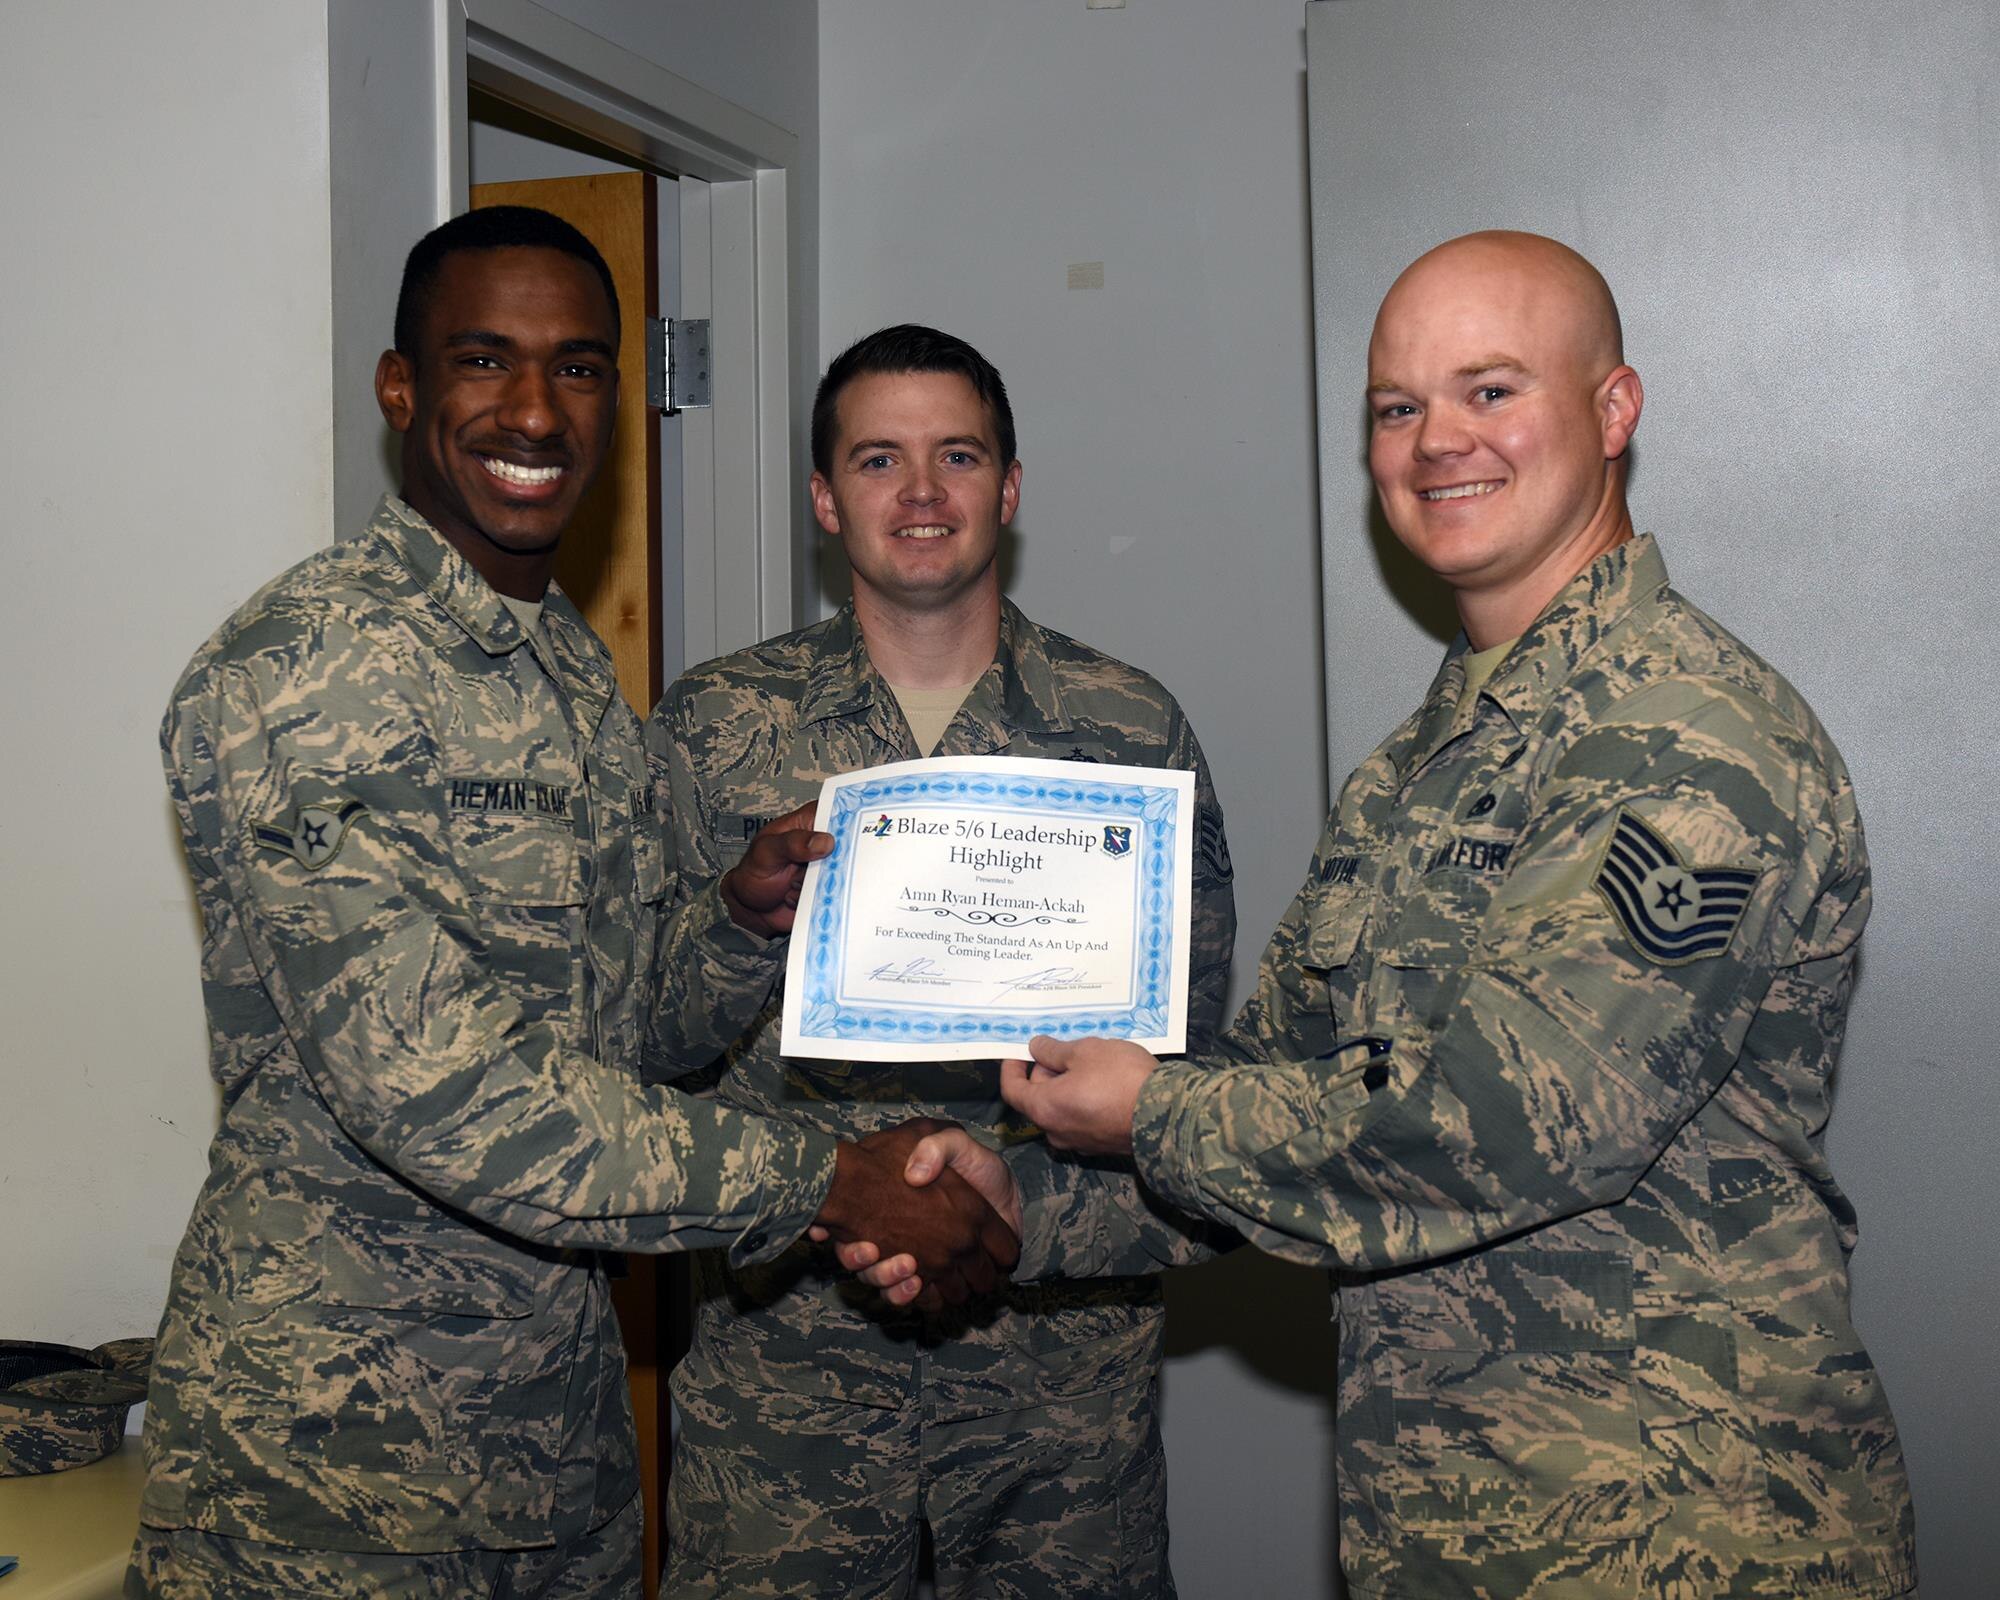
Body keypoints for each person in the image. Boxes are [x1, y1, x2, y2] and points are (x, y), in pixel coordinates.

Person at [869, 235, 1919, 1599]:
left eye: (1490, 391)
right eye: (1397, 407)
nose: (1438, 443)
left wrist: (1148, 1113)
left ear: (1614, 411)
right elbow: (1281, 1095)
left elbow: (1511, 1126)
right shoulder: (1426, 760)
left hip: (1677, 1537)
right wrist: (1030, 1196)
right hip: (1447, 1532)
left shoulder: (1682, 733)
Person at [128, 209, 1016, 1600]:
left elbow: (610, 1035)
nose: (537, 409)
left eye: (582, 367)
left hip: (554, 1459)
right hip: (335, 1483)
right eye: (485, 360)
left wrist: (735, 924)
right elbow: (448, 1090)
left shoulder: (568, 676)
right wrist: (825, 1178)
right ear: (401, 389)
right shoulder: (307, 669)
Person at [646, 324, 1236, 1597]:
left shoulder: (1129, 731)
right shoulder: (711, 726)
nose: (920, 493)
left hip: (1058, 1393)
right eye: (876, 460)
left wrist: (1013, 1206)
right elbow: (636, 1046)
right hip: (784, 1387)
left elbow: (1190, 1086)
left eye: (956, 455)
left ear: (1008, 487)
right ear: (822, 498)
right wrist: (739, 924)